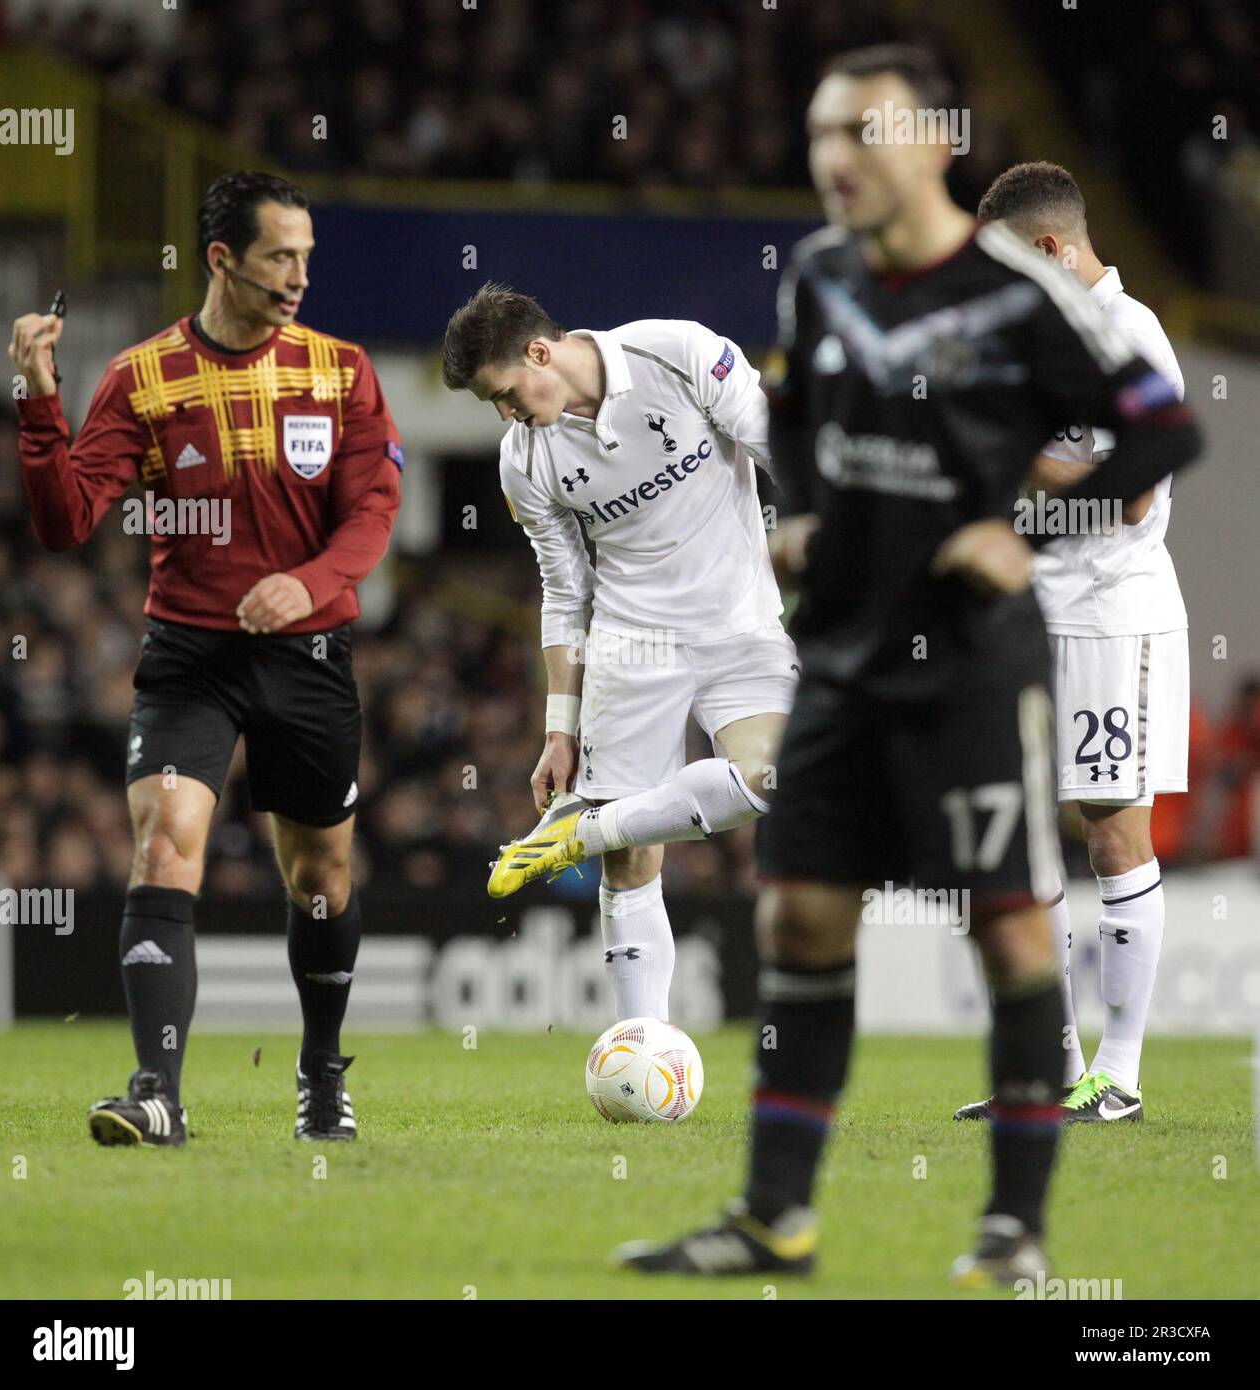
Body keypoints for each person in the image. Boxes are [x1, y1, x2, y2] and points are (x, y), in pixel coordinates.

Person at [616, 44, 1200, 1284]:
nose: (832, 159)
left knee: (1006, 927)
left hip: (980, 662)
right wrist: (798, 521)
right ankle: (773, 1218)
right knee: (802, 911)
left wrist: (1016, 522)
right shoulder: (822, 281)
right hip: (843, 648)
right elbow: (805, 429)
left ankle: (1015, 1230)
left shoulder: (1011, 295)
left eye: (859, 134)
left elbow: (1162, 426)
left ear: (930, 143)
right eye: (821, 134)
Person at [8, 171, 402, 1147]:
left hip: (307, 653)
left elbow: (372, 512)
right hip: (190, 653)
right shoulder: (142, 378)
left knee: (321, 880)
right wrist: (37, 401)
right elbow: (63, 521)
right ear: (222, 257)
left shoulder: (339, 371)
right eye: (280, 256)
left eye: (307, 256)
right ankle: (157, 1093)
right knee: (164, 841)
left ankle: (319, 1071)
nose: (300, 275)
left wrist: (310, 582)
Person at [442, 283, 797, 1023]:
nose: (504, 414)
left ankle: (588, 825)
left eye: (504, 394)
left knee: (774, 777)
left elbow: (783, 453)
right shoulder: (524, 460)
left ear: (540, 352)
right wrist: (558, 727)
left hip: (742, 626)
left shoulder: (677, 353)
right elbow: (564, 593)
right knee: (632, 860)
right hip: (631, 645)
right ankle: (641, 1043)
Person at [954, 162, 1191, 1125]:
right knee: (1017, 838)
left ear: (1052, 249)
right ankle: (1048, 1075)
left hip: (1109, 613)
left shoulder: (1127, 335)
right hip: (1033, 617)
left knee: (1108, 822)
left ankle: (1118, 1076)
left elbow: (1127, 493)